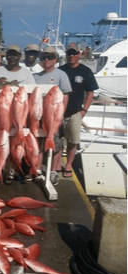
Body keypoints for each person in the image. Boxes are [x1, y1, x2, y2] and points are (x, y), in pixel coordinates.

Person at [0, 44, 36, 185]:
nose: (12, 57)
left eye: (15, 55)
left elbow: (32, 92)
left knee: (17, 142)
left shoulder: (26, 73)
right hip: (1, 112)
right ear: (6, 56)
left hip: (19, 113)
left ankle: (14, 170)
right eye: (10, 54)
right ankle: (3, 171)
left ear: (19, 57)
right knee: (3, 141)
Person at [58, 43, 98, 178]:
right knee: (57, 140)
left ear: (79, 55)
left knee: (73, 141)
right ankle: (56, 165)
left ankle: (68, 165)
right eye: (69, 53)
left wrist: (84, 110)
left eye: (74, 53)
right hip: (59, 112)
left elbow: (90, 93)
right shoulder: (60, 70)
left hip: (76, 112)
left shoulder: (85, 71)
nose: (71, 56)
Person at [34, 46, 72, 185]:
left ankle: (53, 171)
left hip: (55, 115)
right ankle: (37, 169)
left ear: (55, 59)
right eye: (44, 57)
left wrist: (61, 114)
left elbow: (66, 95)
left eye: (49, 57)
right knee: (38, 143)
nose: (46, 60)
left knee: (56, 144)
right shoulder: (36, 76)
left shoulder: (61, 75)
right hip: (39, 116)